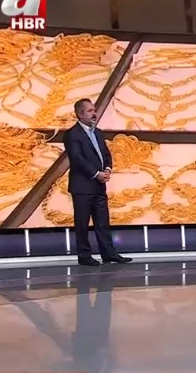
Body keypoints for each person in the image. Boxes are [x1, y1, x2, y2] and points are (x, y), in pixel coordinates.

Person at [64, 98, 132, 266]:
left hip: (99, 187)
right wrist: (96, 174)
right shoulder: (72, 134)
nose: (94, 114)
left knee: (103, 223)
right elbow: (77, 159)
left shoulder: (98, 133)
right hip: (82, 187)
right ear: (80, 114)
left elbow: (106, 154)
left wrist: (107, 169)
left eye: (94, 110)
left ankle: (109, 254)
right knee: (82, 224)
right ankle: (84, 256)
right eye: (90, 111)